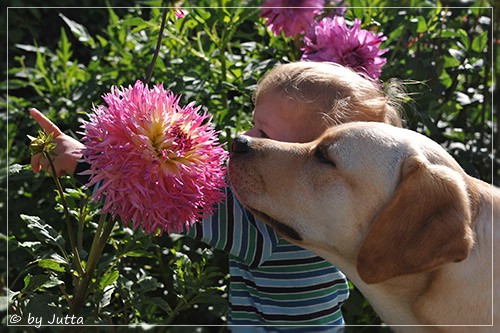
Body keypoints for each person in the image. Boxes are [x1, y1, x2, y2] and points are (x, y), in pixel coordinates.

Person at [30, 61, 404, 331]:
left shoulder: (277, 231)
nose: (243, 139)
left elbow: (172, 204)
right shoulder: (323, 212)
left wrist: (84, 163)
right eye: (254, 122)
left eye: (266, 137)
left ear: (315, 165)